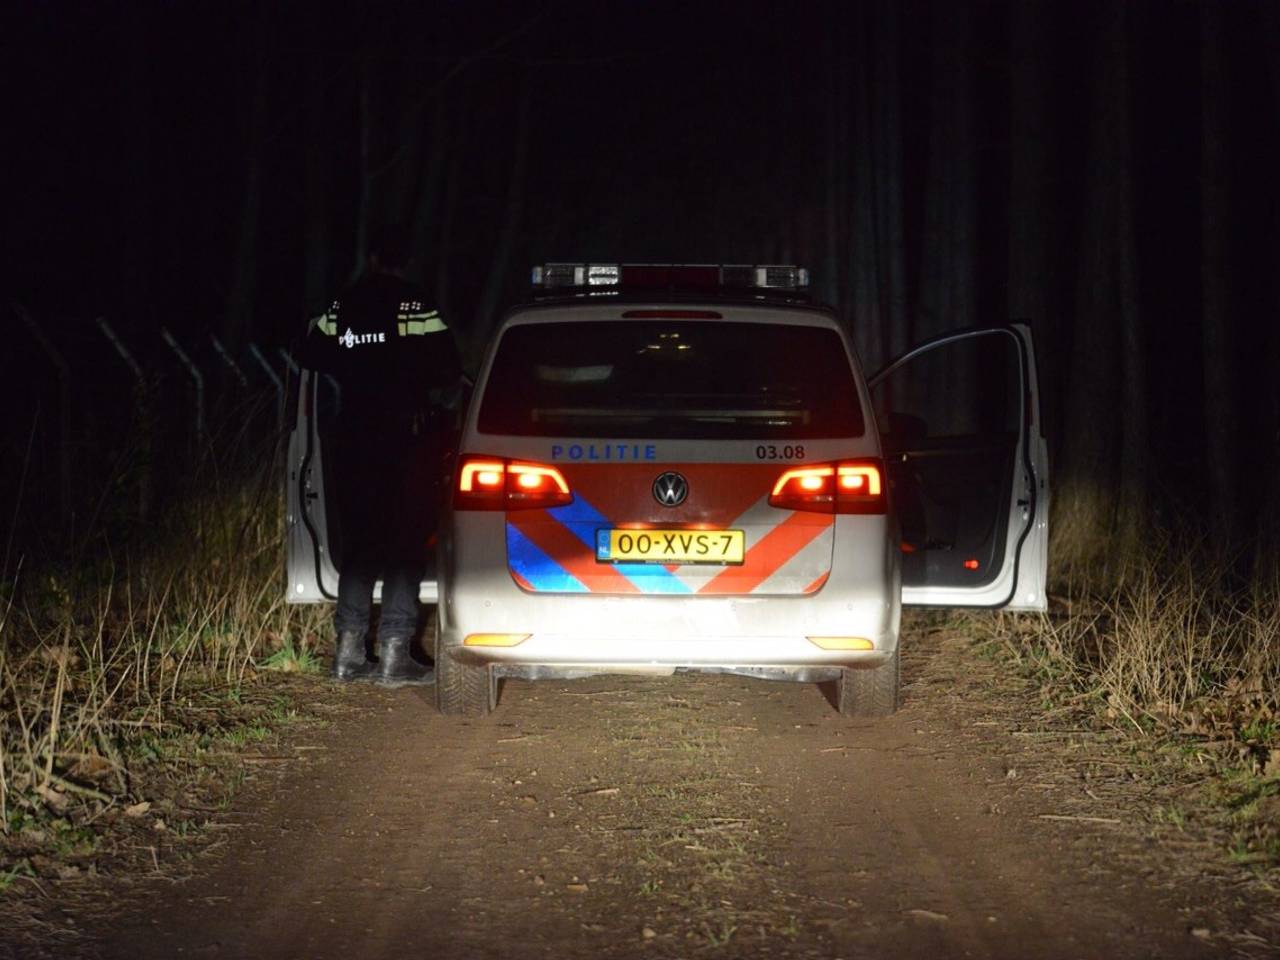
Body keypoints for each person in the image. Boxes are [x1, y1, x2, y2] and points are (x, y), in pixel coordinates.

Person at [298, 224, 462, 684]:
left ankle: (348, 654)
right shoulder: (415, 305)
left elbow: (311, 354)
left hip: (353, 437)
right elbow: (449, 367)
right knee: (405, 545)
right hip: (405, 439)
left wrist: (358, 363)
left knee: (361, 546)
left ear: (371, 259)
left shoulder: (343, 304)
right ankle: (394, 653)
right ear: (405, 261)